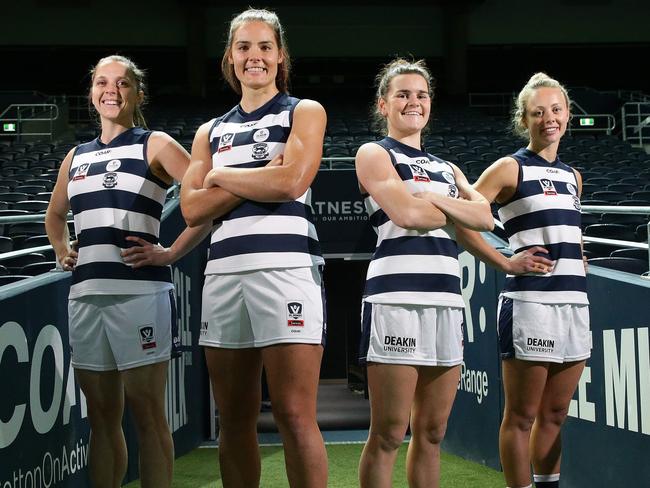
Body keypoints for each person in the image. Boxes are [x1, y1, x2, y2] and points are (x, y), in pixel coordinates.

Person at [45, 54, 209, 488]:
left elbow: (204, 207)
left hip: (140, 295)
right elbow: (54, 215)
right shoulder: (75, 156)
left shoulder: (153, 144)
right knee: (101, 419)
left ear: (138, 93)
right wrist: (63, 249)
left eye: (122, 83)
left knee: (148, 413)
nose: (111, 90)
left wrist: (170, 252)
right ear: (91, 93)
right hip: (85, 297)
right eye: (102, 82)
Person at [180, 8, 328, 488]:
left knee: (292, 412)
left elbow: (290, 183)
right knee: (234, 417)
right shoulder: (210, 131)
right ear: (230, 57)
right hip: (223, 275)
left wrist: (221, 176)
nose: (255, 57)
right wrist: (258, 177)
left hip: (285, 270)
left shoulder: (303, 111)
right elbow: (191, 209)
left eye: (265, 46)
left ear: (280, 55)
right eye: (244, 47)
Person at [355, 58, 494, 488]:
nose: (413, 102)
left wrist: (437, 201)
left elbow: (485, 216)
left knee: (432, 432)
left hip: (447, 301)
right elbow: (406, 212)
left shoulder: (448, 168)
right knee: (390, 432)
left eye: (421, 94)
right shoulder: (375, 153)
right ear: (383, 104)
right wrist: (453, 207)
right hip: (395, 298)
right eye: (402, 94)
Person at [456, 72, 590, 488]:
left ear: (567, 113)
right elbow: (462, 218)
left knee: (555, 415)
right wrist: (504, 262)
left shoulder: (573, 176)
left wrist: (576, 254)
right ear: (524, 119)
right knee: (520, 416)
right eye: (538, 112)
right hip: (531, 303)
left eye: (555, 109)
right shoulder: (509, 167)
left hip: (575, 303)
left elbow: (561, 229)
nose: (549, 118)